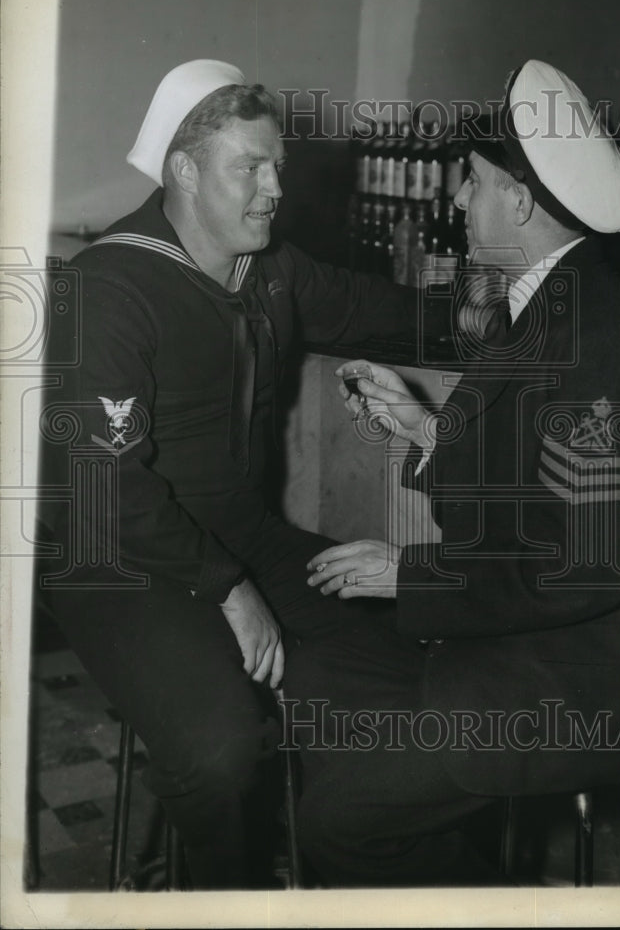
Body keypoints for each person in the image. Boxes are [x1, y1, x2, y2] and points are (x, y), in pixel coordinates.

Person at [40, 59, 446, 888]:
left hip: (245, 544)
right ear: (184, 171)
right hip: (122, 564)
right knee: (223, 751)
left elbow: (385, 311)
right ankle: (219, 895)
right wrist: (229, 587)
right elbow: (103, 485)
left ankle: (345, 861)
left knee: (423, 683)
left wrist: (506, 315)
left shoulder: (271, 271)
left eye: (277, 169)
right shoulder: (108, 289)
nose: (272, 190)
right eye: (248, 168)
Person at [285, 59, 620, 886]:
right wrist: (424, 428)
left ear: (521, 200)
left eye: (473, 182)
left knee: (342, 817)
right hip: (521, 644)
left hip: (579, 683)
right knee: (321, 677)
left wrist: (405, 572)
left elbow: (577, 565)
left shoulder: (600, 337)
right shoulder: (547, 304)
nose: (458, 201)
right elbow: (517, 507)